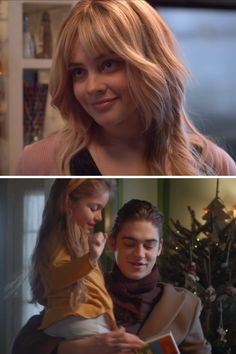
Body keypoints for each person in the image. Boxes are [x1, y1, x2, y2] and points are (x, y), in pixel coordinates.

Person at [15, 0, 236, 176]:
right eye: (78, 72)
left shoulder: (216, 166)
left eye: (108, 65)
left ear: (152, 65)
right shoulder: (40, 162)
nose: (92, 87)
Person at [12, 199, 211, 354]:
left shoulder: (186, 305)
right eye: (130, 244)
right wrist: (80, 348)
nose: (140, 254)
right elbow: (25, 343)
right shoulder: (83, 284)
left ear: (159, 248)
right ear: (113, 243)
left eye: (149, 245)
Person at [23, 179, 143, 352]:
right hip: (79, 320)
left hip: (82, 320)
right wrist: (91, 258)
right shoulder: (61, 237)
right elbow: (54, 278)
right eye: (94, 208)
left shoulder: (77, 241)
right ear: (68, 203)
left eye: (101, 209)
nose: (100, 216)